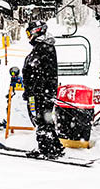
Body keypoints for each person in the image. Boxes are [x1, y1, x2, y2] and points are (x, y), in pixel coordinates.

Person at [22, 20, 64, 159]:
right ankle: (55, 146)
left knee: (41, 120)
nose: (28, 36)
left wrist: (35, 90)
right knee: (45, 120)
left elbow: (40, 72)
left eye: (29, 33)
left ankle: (46, 149)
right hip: (41, 91)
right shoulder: (42, 47)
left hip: (41, 92)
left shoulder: (43, 48)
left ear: (36, 31)